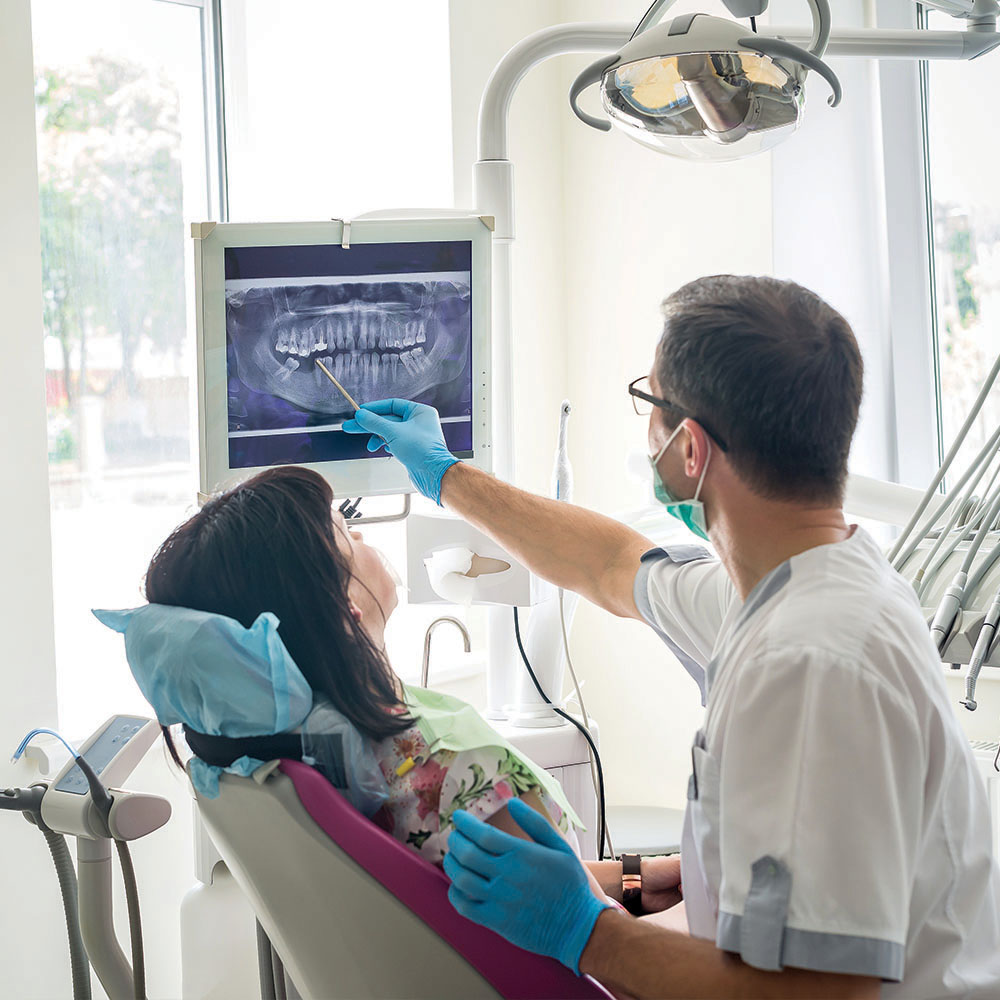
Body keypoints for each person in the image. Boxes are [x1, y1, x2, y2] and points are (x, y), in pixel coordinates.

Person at [341, 274, 1000, 999]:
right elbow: (611, 564)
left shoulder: (810, 661)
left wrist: (588, 931)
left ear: (690, 449)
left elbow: (822, 994)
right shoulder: (803, 583)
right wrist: (446, 477)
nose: (644, 425)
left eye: (649, 404)